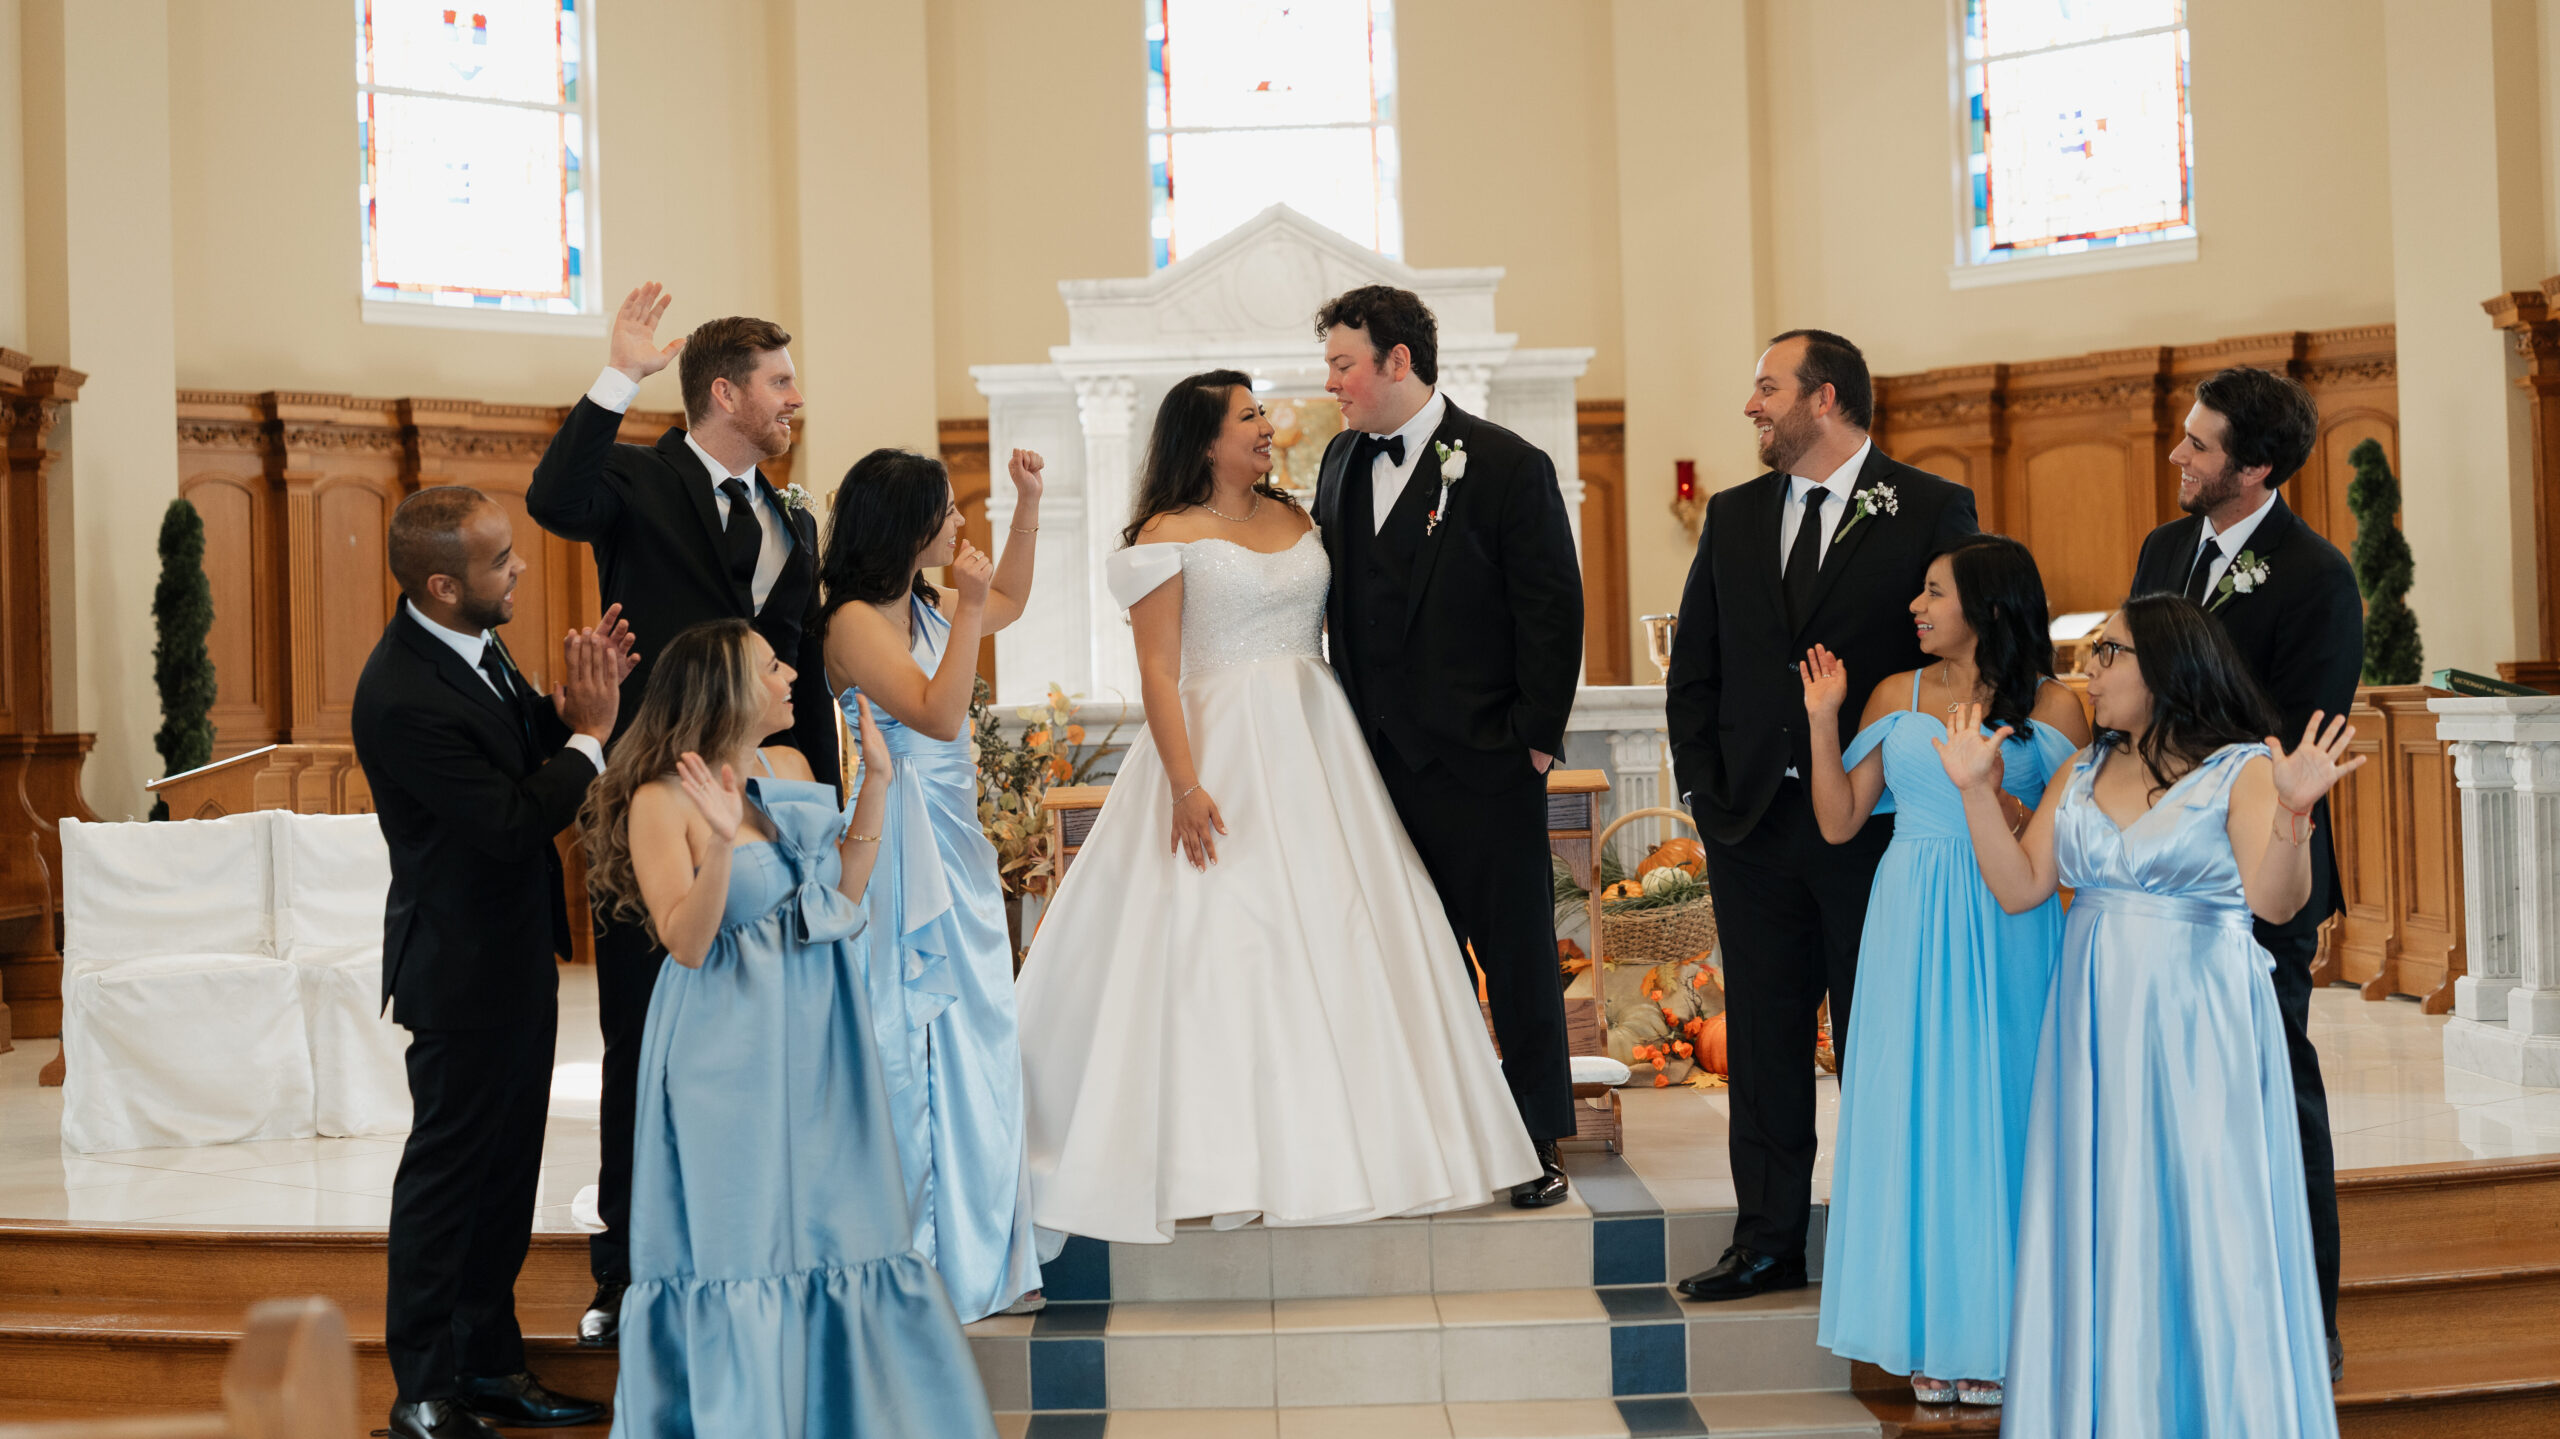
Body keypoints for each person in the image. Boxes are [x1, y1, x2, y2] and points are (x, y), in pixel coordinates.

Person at [1015, 370, 1540, 1244]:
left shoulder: (1302, 515)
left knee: (1351, 925)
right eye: (1249, 416)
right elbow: (1157, 669)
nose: (1269, 426)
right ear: (1204, 439)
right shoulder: (1166, 534)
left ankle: (1386, 1138)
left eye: (1262, 412)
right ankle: (1218, 1155)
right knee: (1224, 937)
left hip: (1320, 745)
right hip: (1216, 747)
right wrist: (1184, 784)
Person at [1938, 594, 2355, 1436]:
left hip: (2200, 1030)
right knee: (2103, 1225)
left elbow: (2276, 904)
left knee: (2206, 1221)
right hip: (2093, 1030)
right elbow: (2021, 888)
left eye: (2107, 654)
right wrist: (1976, 792)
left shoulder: (2239, 770)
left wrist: (2293, 816)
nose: (2088, 672)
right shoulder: (2083, 770)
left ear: (2165, 666)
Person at [581, 619, 996, 1439]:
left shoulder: (794, 764)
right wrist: (724, 843)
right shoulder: (663, 798)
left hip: (818, 1032)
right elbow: (689, 942)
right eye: (771, 665)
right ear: (728, 686)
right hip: (725, 1046)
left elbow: (837, 898)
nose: (789, 674)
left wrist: (873, 784)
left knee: (841, 1226)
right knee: (746, 1238)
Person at [526, 283, 839, 1346]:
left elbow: (796, 657)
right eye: (780, 382)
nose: (795, 399)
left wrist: (820, 804)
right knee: (642, 1030)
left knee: (767, 1026)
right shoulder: (637, 478)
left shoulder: (789, 517)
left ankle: (753, 1235)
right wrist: (618, 372)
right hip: (658, 790)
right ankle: (625, 1265)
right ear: (723, 391)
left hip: (763, 801)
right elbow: (554, 497)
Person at [1665, 329, 1980, 1300]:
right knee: (1759, 1041)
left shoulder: (1930, 506)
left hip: (1879, 826)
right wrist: (1709, 795)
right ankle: (1766, 1240)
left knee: (1878, 1034)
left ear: (1825, 397)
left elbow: (1960, 648)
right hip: (1751, 825)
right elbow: (1697, 669)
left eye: (1767, 387)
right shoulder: (1734, 512)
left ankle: (1885, 1236)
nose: (1752, 406)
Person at [352, 486, 629, 1439]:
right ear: (442, 582)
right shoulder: (399, 693)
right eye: (500, 559)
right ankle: (423, 1388)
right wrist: (592, 735)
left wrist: (568, 707)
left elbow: (516, 747)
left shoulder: (473, 643)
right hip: (458, 970)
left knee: (507, 1174)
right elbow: (513, 823)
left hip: (513, 958)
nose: (518, 569)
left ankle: (492, 1364)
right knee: (447, 1179)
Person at [1309, 285, 1585, 1207]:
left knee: (1514, 955)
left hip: (1485, 764)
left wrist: (1532, 744)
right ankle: (1431, 1132)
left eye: (1344, 363)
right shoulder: (1340, 463)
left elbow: (1553, 611)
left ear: (1397, 360)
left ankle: (1536, 1135)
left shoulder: (1508, 464)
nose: (1332, 381)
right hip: (1371, 769)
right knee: (1401, 953)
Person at [1797, 535, 2089, 1407]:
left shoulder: (2058, 707)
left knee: (1999, 1112)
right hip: (1910, 916)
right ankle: (1927, 1324)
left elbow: (2064, 836)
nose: (1917, 607)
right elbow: (1842, 819)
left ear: (1989, 606)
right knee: (1915, 1108)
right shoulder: (1896, 694)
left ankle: (2001, 1333)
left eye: (1934, 592)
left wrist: (1997, 792)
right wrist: (1822, 718)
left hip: (2009, 915)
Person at [2127, 365, 2362, 1381]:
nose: (2177, 456)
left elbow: (2302, 731)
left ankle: (2307, 1309)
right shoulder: (2161, 548)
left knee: (2275, 1081)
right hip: (2160, 873)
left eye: (2199, 444)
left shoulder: (2316, 576)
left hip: (2258, 864)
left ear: (2255, 466)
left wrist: (2186, 763)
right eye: (2183, 437)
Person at [819, 446, 1043, 1321]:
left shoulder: (919, 601)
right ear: (909, 526)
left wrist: (1027, 506)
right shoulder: (851, 621)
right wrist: (974, 604)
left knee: (977, 1039)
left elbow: (1012, 603)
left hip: (954, 842)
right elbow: (942, 713)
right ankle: (919, 1263)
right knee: (914, 1047)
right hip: (898, 848)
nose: (961, 524)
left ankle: (982, 1254)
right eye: (948, 512)